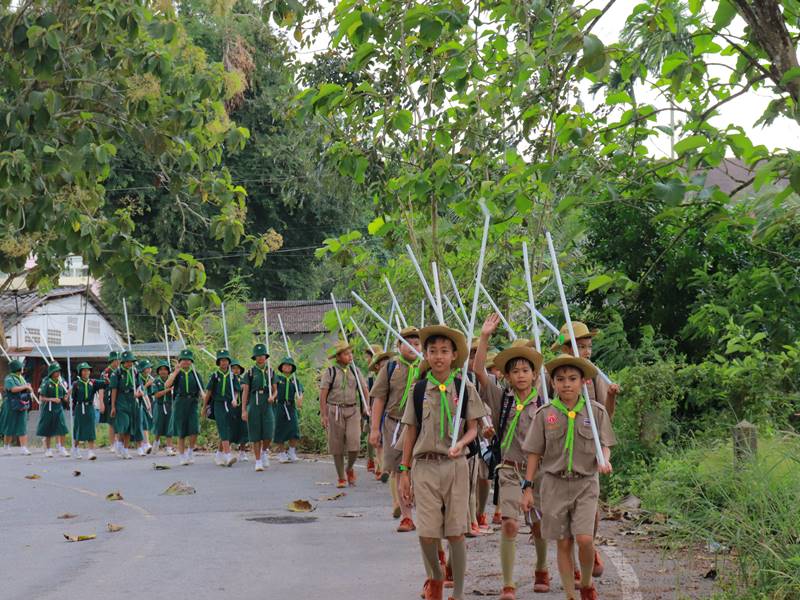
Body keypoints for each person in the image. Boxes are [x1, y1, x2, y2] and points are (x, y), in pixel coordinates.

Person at [398, 324, 488, 600]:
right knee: (427, 532)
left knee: (456, 533)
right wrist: (404, 471)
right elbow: (410, 431)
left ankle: (457, 593)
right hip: (424, 466)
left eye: (444, 351)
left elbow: (473, 428)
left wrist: (462, 443)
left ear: (454, 355)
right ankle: (436, 577)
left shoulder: (464, 387)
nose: (438, 356)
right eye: (433, 351)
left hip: (455, 466)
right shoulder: (418, 390)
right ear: (426, 354)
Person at [521, 354, 616, 600]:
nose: (566, 384)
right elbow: (534, 453)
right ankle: (570, 594)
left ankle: (586, 583)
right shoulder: (545, 414)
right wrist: (528, 487)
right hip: (554, 483)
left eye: (572, 379)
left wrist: (605, 460)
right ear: (552, 383)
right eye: (561, 379)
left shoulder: (595, 412)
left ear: (583, 382)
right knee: (563, 542)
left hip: (585, 483)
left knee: (584, 539)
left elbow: (604, 444)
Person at [474, 314, 548, 599]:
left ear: (534, 374)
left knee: (538, 523)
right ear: (506, 376)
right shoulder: (500, 399)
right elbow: (479, 371)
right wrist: (484, 337)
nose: (520, 375)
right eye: (514, 371)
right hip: (508, 469)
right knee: (510, 523)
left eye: (525, 370)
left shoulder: (544, 402)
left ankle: (541, 567)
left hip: (538, 471)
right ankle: (508, 584)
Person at [551, 321, 621, 577]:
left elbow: (606, 416)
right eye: (581, 346)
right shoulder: (552, 375)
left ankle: (589, 548)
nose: (587, 351)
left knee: (590, 509)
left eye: (588, 346)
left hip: (587, 450)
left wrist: (611, 396)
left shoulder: (593, 375)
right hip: (559, 451)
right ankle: (572, 564)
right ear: (566, 348)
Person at [369, 326, 420, 530]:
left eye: (417, 343)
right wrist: (375, 429)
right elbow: (379, 399)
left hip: (420, 425)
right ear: (399, 346)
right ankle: (407, 517)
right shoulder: (390, 367)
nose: (413, 347)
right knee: (400, 469)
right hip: (394, 425)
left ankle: (423, 512)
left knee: (418, 470)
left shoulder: (426, 367)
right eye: (408, 343)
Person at [319, 340, 369, 488]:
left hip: (352, 410)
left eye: (350, 353)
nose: (350, 356)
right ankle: (341, 477)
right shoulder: (330, 372)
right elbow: (323, 394)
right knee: (337, 446)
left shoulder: (356, 371)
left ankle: (349, 468)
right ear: (338, 357)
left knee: (355, 444)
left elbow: (364, 389)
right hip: (335, 410)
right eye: (346, 354)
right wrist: (324, 415)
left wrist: (367, 406)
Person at [164, 349, 203, 466]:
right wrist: (175, 372)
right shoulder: (177, 374)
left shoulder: (195, 374)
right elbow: (167, 385)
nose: (186, 362)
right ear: (179, 361)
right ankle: (181, 455)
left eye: (188, 360)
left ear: (191, 362)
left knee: (194, 429)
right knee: (181, 431)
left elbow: (202, 391)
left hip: (193, 403)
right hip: (180, 402)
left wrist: (205, 404)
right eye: (183, 360)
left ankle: (190, 451)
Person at [241, 344, 275, 472]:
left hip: (267, 403)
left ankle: (264, 451)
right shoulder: (250, 372)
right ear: (254, 357)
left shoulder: (270, 371)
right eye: (258, 356)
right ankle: (258, 460)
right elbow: (245, 392)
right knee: (255, 434)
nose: (260, 358)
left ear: (266, 357)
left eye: (262, 355)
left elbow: (275, 390)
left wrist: (273, 397)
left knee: (269, 432)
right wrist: (244, 410)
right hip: (254, 403)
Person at [202, 349, 239, 467]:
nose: (224, 363)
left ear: (229, 362)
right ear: (218, 362)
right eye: (221, 360)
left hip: (230, 404)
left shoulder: (232, 376)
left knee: (228, 429)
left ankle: (219, 454)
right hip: (218, 404)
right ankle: (228, 455)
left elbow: (237, 390)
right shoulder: (215, 375)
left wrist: (235, 399)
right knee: (223, 427)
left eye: (226, 360)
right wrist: (204, 407)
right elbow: (209, 392)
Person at [109, 350, 143, 460]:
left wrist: (139, 393)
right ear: (123, 362)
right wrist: (113, 406)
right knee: (124, 424)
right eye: (127, 361)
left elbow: (139, 386)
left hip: (132, 399)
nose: (129, 363)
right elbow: (114, 390)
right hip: (121, 399)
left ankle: (126, 449)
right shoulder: (117, 373)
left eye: (131, 361)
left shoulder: (135, 372)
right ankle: (119, 443)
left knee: (129, 427)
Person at [71, 362, 107, 460]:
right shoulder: (76, 384)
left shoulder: (93, 382)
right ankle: (75, 447)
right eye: (84, 370)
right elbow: (74, 398)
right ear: (80, 372)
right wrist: (74, 409)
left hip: (90, 407)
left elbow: (105, 384)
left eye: (88, 370)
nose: (86, 372)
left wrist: (107, 379)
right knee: (79, 428)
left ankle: (91, 451)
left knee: (91, 428)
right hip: (79, 408)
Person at [272, 356, 304, 464]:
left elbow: (300, 391)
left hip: (291, 406)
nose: (287, 367)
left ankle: (291, 451)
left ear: (292, 368)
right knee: (279, 429)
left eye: (289, 365)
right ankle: (281, 453)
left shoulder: (294, 380)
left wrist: (300, 398)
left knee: (294, 429)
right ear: (281, 367)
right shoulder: (277, 378)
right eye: (285, 365)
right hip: (279, 406)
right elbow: (272, 388)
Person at [36, 362, 71, 457]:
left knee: (62, 428)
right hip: (48, 409)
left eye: (59, 371)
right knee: (48, 429)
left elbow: (64, 397)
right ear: (51, 372)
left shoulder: (61, 382)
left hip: (59, 408)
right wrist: (52, 399)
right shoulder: (46, 382)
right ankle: (48, 449)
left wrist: (67, 395)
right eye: (56, 371)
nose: (58, 373)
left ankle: (62, 448)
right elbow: (41, 398)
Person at [2, 359, 33, 455]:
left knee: (22, 426)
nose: (23, 368)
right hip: (11, 405)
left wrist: (29, 388)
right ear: (17, 368)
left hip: (22, 404)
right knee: (10, 426)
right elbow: (13, 389)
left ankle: (23, 448)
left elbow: (27, 388)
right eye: (21, 367)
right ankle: (6, 446)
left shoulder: (21, 378)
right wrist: (25, 387)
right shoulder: (9, 378)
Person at [150, 360, 175, 456]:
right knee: (158, 426)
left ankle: (169, 448)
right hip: (159, 406)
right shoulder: (156, 381)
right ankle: (156, 443)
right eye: (161, 370)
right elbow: (156, 395)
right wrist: (168, 390)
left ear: (168, 371)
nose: (163, 371)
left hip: (170, 405)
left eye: (165, 369)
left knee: (170, 426)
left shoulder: (172, 380)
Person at [98, 351, 120, 453]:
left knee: (119, 421)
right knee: (111, 422)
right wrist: (101, 402)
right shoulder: (106, 372)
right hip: (109, 399)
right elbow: (101, 388)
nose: (118, 362)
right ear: (112, 361)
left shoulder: (120, 371)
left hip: (119, 398)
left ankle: (119, 442)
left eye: (119, 360)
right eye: (116, 360)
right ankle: (112, 444)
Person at [230, 359, 249, 462]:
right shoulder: (228, 380)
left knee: (244, 430)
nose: (236, 370)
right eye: (233, 368)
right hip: (231, 407)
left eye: (237, 368)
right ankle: (225, 452)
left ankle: (242, 452)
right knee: (230, 429)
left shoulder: (243, 380)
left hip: (241, 407)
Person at [134, 359, 154, 456]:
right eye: (147, 368)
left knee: (146, 423)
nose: (149, 369)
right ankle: (143, 444)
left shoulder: (150, 378)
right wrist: (147, 384)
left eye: (150, 367)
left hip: (147, 402)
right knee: (141, 423)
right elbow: (140, 390)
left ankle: (146, 443)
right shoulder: (138, 377)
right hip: (139, 403)